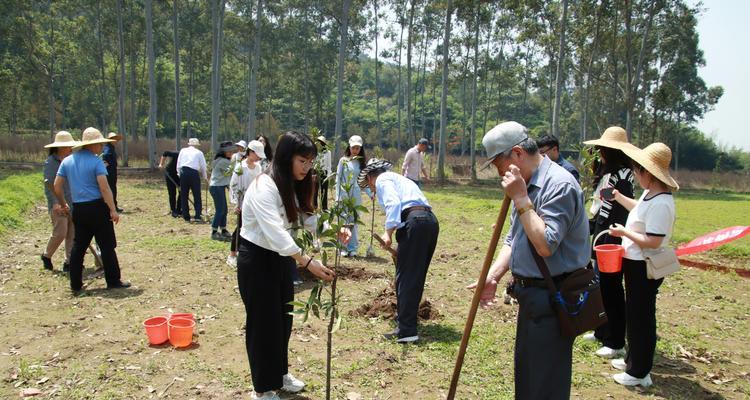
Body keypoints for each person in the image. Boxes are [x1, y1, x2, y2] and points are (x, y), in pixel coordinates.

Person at [470, 121, 589, 399]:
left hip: (555, 295)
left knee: (546, 382)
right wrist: (494, 275)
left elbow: (545, 244)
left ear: (517, 153)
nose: (500, 174)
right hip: (532, 296)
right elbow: (515, 238)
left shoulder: (559, 185)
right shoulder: (525, 184)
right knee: (528, 376)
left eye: (500, 165)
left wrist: (521, 198)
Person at [237, 131, 345, 400]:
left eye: (310, 162)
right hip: (258, 259)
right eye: (302, 161)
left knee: (283, 321)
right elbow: (275, 233)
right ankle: (262, 388)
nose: (307, 168)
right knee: (263, 324)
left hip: (281, 260)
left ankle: (280, 375)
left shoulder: (291, 184)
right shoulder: (264, 187)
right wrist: (307, 262)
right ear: (286, 158)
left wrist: (334, 230)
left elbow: (306, 219)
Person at [607, 142, 678, 388]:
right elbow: (638, 209)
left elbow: (654, 242)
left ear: (648, 172)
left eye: (637, 171)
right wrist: (618, 197)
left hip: (643, 266)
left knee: (641, 318)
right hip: (634, 263)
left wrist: (624, 233)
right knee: (634, 314)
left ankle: (639, 372)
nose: (636, 176)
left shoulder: (662, 203)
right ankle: (632, 360)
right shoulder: (651, 196)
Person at [358, 158, 439, 343]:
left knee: (406, 277)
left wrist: (387, 233)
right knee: (414, 275)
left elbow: (393, 204)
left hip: (414, 222)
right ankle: (406, 323)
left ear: (371, 176)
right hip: (429, 222)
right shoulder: (400, 179)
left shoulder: (383, 179)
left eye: (369, 185)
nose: (372, 189)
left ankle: (407, 331)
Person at [54, 127, 130, 293]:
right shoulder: (96, 162)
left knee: (78, 246)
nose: (102, 147)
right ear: (92, 145)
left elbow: (57, 185)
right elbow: (104, 188)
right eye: (99, 144)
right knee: (107, 245)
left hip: (79, 208)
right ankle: (113, 280)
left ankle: (75, 284)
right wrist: (113, 209)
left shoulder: (67, 161)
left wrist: (63, 203)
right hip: (97, 207)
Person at [581, 126, 635, 359]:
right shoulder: (607, 173)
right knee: (600, 287)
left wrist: (612, 239)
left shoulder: (622, 176)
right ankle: (602, 330)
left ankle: (615, 341)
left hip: (612, 239)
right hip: (601, 234)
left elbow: (619, 212)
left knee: (611, 289)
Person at [41, 131, 79, 272]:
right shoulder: (51, 162)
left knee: (72, 233)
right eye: (67, 146)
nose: (69, 148)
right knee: (61, 232)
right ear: (59, 147)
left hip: (72, 201)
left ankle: (69, 262)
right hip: (58, 203)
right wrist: (56, 202)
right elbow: (49, 184)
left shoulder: (71, 160)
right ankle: (47, 255)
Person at [227, 140, 266, 267]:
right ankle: (232, 255)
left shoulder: (259, 166)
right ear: (251, 152)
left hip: (255, 203)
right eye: (257, 154)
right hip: (242, 202)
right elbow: (233, 186)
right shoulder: (240, 167)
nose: (259, 157)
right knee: (240, 228)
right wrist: (235, 204)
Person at [335, 135, 369, 257]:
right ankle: (342, 247)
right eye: (353, 147)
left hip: (355, 193)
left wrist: (371, 194)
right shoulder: (343, 161)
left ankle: (353, 247)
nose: (355, 150)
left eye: (358, 148)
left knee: (354, 220)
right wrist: (338, 196)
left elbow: (363, 181)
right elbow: (338, 179)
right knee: (343, 220)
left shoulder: (361, 163)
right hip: (344, 192)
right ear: (349, 147)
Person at [176, 138, 208, 222]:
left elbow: (178, 164)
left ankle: (186, 216)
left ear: (189, 144)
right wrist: (205, 177)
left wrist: (179, 174)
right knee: (197, 194)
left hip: (184, 172)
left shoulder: (183, 150)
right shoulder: (199, 153)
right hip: (194, 173)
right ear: (197, 145)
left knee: (184, 195)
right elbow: (203, 166)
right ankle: (197, 215)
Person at [209, 142, 235, 240]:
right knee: (220, 210)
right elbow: (233, 172)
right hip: (217, 187)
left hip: (218, 187)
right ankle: (214, 231)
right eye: (227, 151)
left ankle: (223, 229)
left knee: (224, 209)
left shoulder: (220, 160)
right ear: (222, 151)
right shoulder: (224, 161)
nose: (230, 152)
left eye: (231, 150)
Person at [102, 132, 123, 212]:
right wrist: (108, 163)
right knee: (112, 189)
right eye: (114, 139)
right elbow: (105, 155)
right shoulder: (108, 148)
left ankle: (112, 205)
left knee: (112, 188)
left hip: (111, 171)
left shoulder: (110, 147)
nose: (116, 141)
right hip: (110, 172)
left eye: (116, 139)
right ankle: (113, 206)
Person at [158, 150, 182, 217]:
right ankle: (173, 210)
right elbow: (165, 153)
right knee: (172, 192)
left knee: (182, 192)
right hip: (170, 174)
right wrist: (161, 164)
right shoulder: (177, 154)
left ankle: (179, 209)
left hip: (180, 174)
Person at [315, 135, 332, 210]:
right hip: (316, 172)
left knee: (324, 192)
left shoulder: (328, 152)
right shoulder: (315, 152)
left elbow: (329, 165)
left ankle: (324, 209)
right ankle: (314, 207)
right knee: (315, 192)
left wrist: (328, 175)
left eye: (320, 142)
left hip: (324, 173)